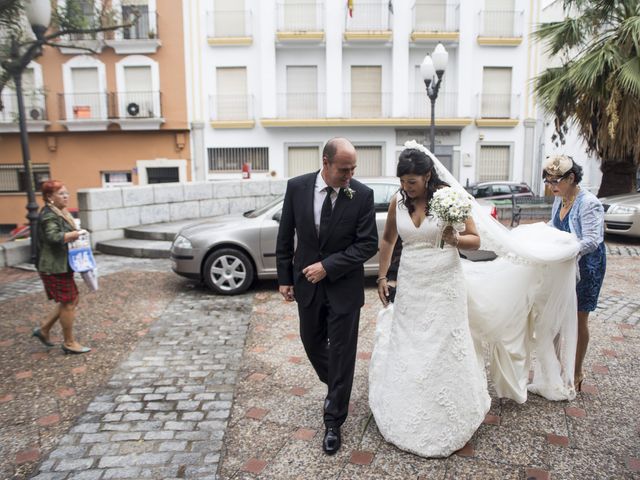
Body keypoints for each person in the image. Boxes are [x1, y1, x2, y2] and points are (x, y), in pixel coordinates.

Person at [370, 145, 491, 458]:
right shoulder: (398, 201)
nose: (406, 187)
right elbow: (388, 240)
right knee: (410, 346)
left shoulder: (449, 197)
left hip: (445, 283)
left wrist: (455, 239)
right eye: (402, 181)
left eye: (412, 182)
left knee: (442, 346)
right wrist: (382, 277)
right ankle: (406, 408)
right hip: (411, 282)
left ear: (426, 176)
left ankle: (449, 413)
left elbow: (475, 240)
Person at [276, 137, 378, 455]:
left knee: (343, 351)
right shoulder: (296, 187)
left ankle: (333, 421)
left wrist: (328, 267)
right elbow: (286, 233)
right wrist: (284, 278)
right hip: (306, 285)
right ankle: (339, 383)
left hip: (344, 288)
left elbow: (367, 244)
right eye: (343, 170)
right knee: (312, 342)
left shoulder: (362, 195)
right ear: (325, 162)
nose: (349, 176)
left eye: (352, 169)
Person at [542, 155, 606, 391]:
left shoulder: (589, 203)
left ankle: (577, 371)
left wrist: (567, 249)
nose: (552, 187)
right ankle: (558, 369)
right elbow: (555, 226)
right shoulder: (559, 199)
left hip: (586, 265)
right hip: (563, 265)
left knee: (579, 318)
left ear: (571, 178)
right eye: (548, 182)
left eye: (556, 181)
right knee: (556, 317)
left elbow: (592, 240)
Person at [32, 180, 91, 355]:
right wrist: (76, 234)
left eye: (67, 193)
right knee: (69, 302)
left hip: (62, 265)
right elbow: (53, 237)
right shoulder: (50, 215)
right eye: (61, 194)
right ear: (49, 197)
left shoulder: (60, 212)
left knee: (72, 300)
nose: (66, 196)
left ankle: (44, 329)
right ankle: (69, 342)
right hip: (54, 267)